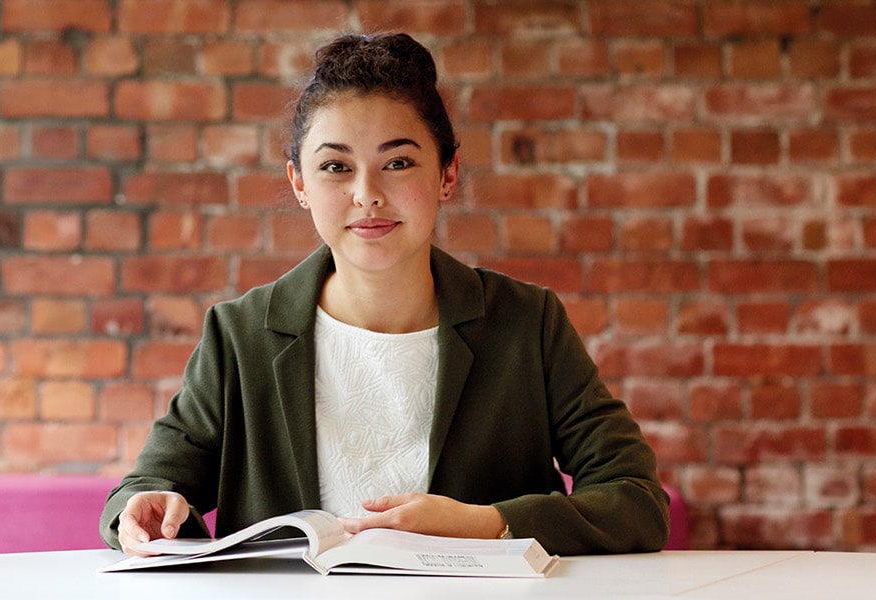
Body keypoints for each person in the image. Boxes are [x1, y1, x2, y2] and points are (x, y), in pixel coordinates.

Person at [99, 32, 669, 557]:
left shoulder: (527, 322)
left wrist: (487, 523)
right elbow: (145, 489)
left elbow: (637, 501)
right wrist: (145, 510)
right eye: (335, 167)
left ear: (447, 173)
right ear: (300, 182)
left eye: (397, 162)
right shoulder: (239, 334)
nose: (367, 194)